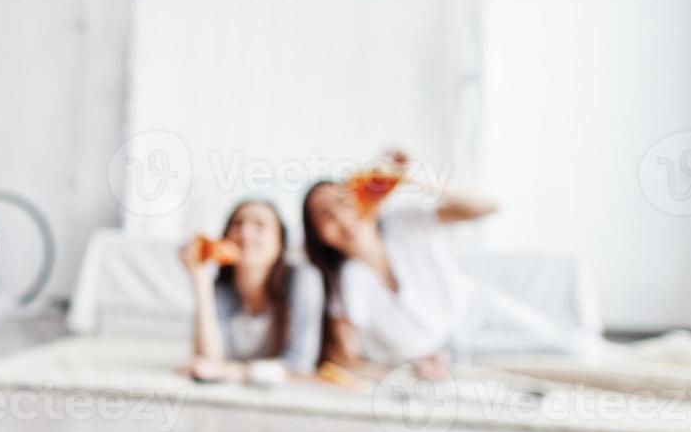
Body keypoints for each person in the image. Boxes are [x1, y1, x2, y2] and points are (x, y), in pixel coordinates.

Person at [302, 157, 590, 377]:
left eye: (344, 202)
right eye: (325, 215)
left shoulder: (405, 221)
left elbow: (490, 205)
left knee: (572, 348)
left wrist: (412, 178)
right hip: (443, 357)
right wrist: (405, 369)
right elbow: (344, 356)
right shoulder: (344, 281)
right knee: (530, 370)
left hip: (478, 312)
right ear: (318, 235)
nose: (341, 217)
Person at [178, 199, 324, 383]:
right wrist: (200, 281)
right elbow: (208, 363)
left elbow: (300, 366)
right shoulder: (221, 289)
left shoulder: (303, 278)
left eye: (259, 224)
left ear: (280, 243)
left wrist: (233, 372)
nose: (245, 232)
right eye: (237, 224)